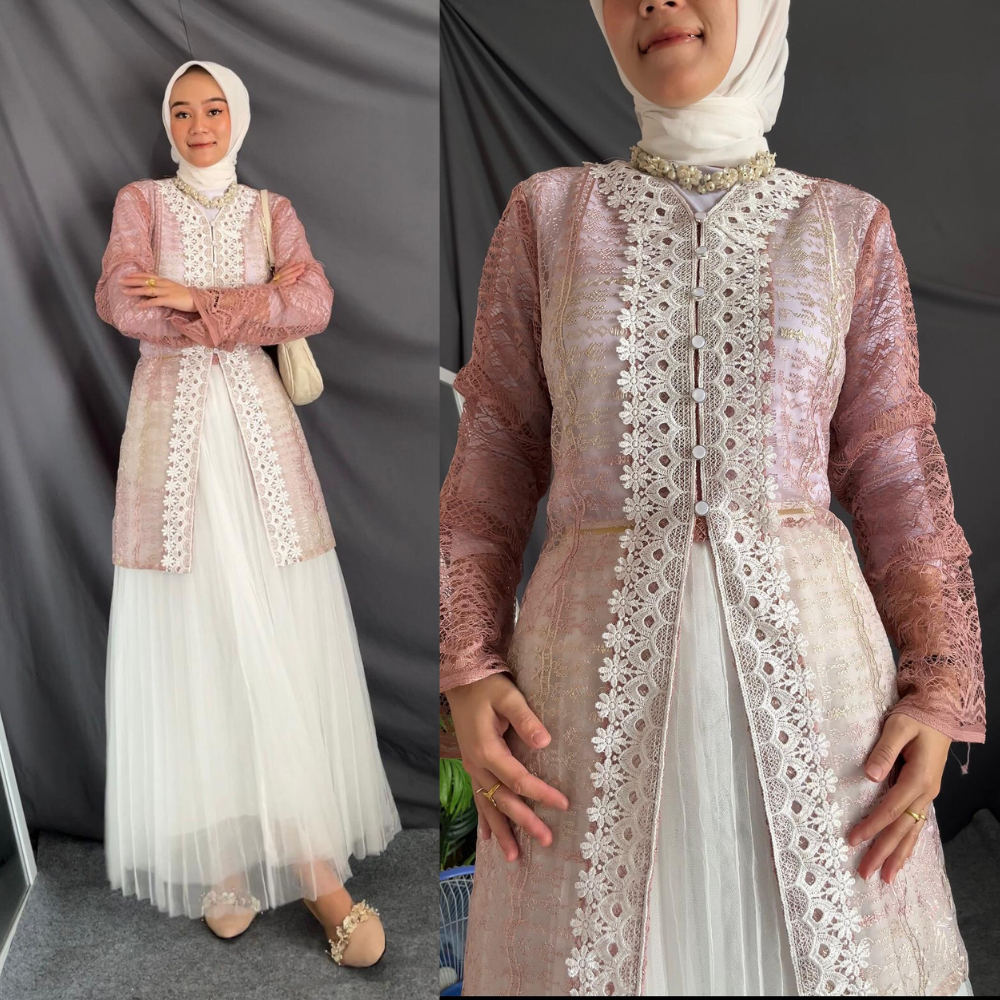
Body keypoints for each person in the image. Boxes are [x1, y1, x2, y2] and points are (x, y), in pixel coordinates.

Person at [439, 1, 984, 994]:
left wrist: (941, 685)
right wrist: (467, 665)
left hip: (819, 700)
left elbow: (896, 474)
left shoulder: (844, 226)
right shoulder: (550, 217)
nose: (656, 2)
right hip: (581, 702)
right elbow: (494, 457)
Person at [95, 59, 401, 968]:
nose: (198, 126)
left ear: (238, 116)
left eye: (214, 109)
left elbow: (312, 302)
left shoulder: (272, 210)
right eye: (182, 111)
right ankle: (224, 853)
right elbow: (119, 298)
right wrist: (243, 311)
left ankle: (310, 867)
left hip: (262, 445)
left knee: (274, 631)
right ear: (167, 122)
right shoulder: (142, 202)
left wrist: (196, 300)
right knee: (195, 635)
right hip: (171, 448)